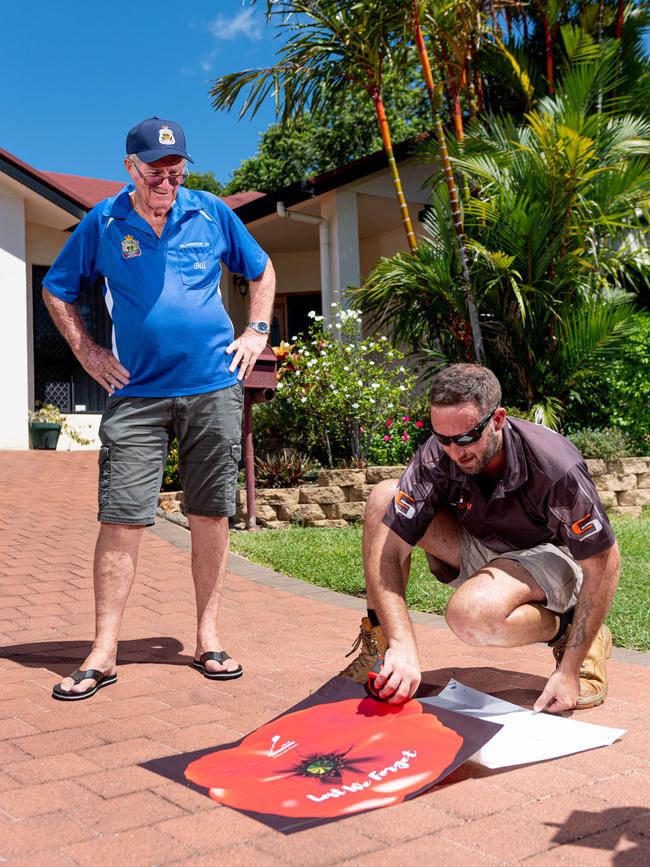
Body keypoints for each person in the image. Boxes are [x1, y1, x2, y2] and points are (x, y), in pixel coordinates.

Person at [43, 117, 275, 700]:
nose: (166, 181)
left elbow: (262, 268)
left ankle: (208, 637)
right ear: (130, 169)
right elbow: (57, 288)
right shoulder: (104, 222)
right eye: (154, 172)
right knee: (121, 515)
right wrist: (87, 350)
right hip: (137, 394)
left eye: (175, 170)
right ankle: (104, 650)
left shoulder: (211, 211)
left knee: (211, 512)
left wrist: (257, 330)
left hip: (212, 386)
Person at [341, 364, 620, 713]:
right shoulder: (438, 453)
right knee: (384, 499)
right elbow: (391, 549)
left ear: (498, 419)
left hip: (548, 556)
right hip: (483, 542)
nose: (455, 452)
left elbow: (605, 563)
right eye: (443, 439)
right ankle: (382, 649)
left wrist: (569, 670)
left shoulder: (554, 466)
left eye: (466, 437)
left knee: (470, 617)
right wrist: (402, 641)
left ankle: (569, 633)